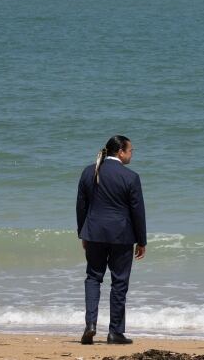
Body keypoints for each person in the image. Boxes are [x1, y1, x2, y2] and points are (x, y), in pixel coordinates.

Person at [76, 135, 147, 345]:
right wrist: (142, 241)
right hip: (122, 236)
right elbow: (138, 212)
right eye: (131, 150)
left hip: (94, 234)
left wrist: (83, 233)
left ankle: (90, 325)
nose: (132, 154)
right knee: (119, 282)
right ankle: (115, 332)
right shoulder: (130, 177)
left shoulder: (89, 172)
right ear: (121, 152)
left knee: (93, 278)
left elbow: (81, 206)